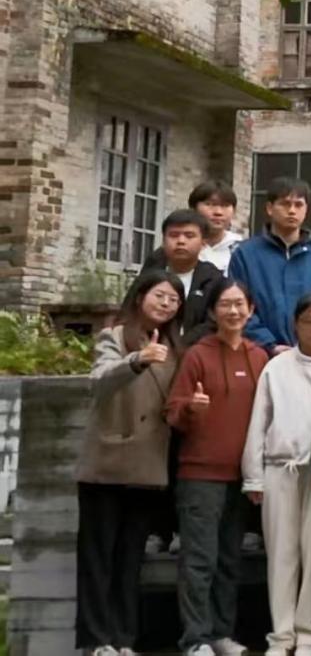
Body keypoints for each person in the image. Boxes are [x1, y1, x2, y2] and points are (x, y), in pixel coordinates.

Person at [77, 270, 183, 656]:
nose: (166, 304)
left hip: (148, 465)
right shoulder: (115, 336)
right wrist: (137, 359)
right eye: (159, 295)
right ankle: (95, 640)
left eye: (173, 299)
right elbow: (99, 380)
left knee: (130, 559)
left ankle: (123, 638)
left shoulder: (177, 347)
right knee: (98, 557)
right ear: (140, 297)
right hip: (108, 461)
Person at [244, 293, 311, 656]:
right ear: (296, 324)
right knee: (281, 554)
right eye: (309, 322)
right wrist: (253, 475)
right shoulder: (276, 367)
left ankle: (309, 635)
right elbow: (259, 421)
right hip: (281, 468)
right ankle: (281, 635)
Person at [167, 278, 271, 656]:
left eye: (240, 304)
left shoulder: (259, 357)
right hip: (200, 475)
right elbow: (173, 412)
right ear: (212, 311)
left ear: (251, 309)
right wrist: (191, 408)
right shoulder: (197, 355)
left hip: (242, 477)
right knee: (200, 560)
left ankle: (221, 633)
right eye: (225, 304)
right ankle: (195, 638)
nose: (233, 311)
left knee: (230, 559)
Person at [230, 177, 311, 352]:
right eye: (285, 204)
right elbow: (238, 306)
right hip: (259, 352)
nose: (292, 211)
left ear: (306, 209)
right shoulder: (245, 254)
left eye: (298, 205)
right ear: (269, 208)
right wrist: (269, 345)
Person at [158, 208, 227, 344]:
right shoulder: (151, 273)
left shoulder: (214, 280)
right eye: (174, 235)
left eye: (189, 236)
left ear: (203, 243)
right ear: (163, 241)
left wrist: (181, 346)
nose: (181, 241)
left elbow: (213, 323)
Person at [192, 179, 247, 272]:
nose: (218, 212)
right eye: (210, 204)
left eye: (225, 206)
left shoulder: (242, 250)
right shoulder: (182, 245)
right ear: (194, 208)